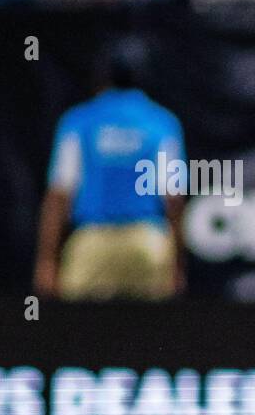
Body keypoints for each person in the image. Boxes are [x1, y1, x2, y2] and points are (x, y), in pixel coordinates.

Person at [33, 41, 187, 302]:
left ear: (102, 77)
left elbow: (59, 194)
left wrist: (47, 261)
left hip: (92, 244)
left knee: (79, 336)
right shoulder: (161, 123)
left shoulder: (79, 121)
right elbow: (173, 197)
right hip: (146, 244)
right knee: (153, 336)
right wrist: (177, 265)